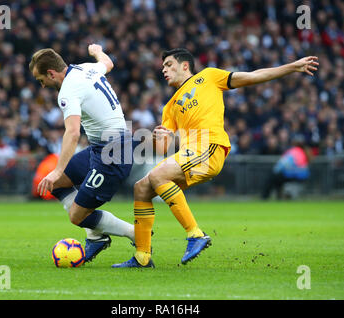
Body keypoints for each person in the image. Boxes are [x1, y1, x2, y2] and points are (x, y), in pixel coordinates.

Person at [113, 48, 319, 268]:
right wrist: (158, 137)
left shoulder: (209, 77)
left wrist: (291, 67)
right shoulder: (170, 106)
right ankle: (142, 257)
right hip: (188, 155)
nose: (163, 69)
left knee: (156, 175)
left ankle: (196, 235)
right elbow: (163, 148)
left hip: (209, 147)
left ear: (185, 66)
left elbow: (252, 76)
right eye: (162, 66)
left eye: (169, 64)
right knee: (141, 188)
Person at [29, 44, 137, 262]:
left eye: (42, 80)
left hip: (113, 152)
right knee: (56, 185)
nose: (42, 86)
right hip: (103, 147)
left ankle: (135, 233)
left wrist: (58, 170)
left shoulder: (68, 90)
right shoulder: (86, 68)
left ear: (51, 73)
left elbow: (72, 133)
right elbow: (108, 63)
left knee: (76, 215)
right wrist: (97, 51)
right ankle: (96, 237)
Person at [261, 136, 311, 200]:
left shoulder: (294, 151)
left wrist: (275, 170)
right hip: (302, 175)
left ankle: (264, 197)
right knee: (277, 179)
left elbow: (284, 163)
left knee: (272, 176)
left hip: (293, 174)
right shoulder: (303, 152)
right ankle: (279, 196)